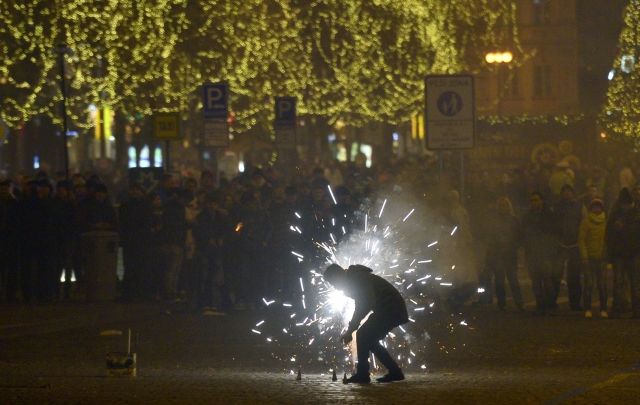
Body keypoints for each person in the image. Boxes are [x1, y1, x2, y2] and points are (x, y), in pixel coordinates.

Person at [324, 264, 408, 384]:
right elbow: (363, 304)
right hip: (390, 309)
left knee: (363, 335)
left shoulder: (358, 279)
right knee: (369, 339)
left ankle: (363, 375)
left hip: (391, 309)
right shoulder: (355, 278)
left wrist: (351, 329)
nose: (335, 287)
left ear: (338, 276)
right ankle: (394, 372)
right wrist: (351, 329)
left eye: (333, 282)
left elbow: (364, 304)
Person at [521, 192, 558, 315]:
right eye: (532, 200)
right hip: (532, 252)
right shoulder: (527, 217)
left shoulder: (549, 215)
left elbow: (553, 232)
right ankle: (540, 303)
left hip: (545, 252)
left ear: (542, 201)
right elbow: (523, 234)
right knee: (536, 281)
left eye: (536, 200)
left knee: (547, 279)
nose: (534, 203)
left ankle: (550, 303)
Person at [605, 188, 640, 318]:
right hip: (620, 253)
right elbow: (608, 236)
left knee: (633, 283)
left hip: (633, 252)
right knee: (620, 282)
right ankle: (619, 309)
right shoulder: (615, 216)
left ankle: (635, 310)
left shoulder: (636, 214)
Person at [485, 196, 523, 310]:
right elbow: (491, 238)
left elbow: (518, 236)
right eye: (501, 205)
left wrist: (512, 245)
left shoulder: (513, 220)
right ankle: (502, 303)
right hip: (498, 254)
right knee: (499, 280)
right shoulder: (495, 221)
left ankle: (519, 302)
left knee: (513, 279)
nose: (503, 208)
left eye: (505, 205)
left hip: (510, 253)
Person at [553, 184, 583, 311]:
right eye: (564, 192)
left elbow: (583, 223)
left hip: (574, 245)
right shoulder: (557, 207)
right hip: (561, 245)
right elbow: (553, 224)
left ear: (572, 193)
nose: (566, 194)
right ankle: (551, 301)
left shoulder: (579, 206)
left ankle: (575, 303)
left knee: (574, 276)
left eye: (568, 191)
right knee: (555, 275)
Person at [578, 198, 608, 318]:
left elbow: (608, 240)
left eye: (598, 206)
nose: (596, 208)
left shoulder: (606, 221)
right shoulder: (586, 222)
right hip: (589, 258)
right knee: (589, 284)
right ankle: (587, 308)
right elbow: (581, 240)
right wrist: (584, 256)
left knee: (602, 284)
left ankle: (604, 308)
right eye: (594, 206)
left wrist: (606, 254)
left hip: (601, 258)